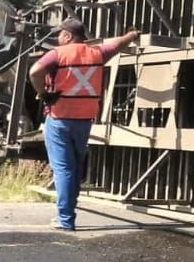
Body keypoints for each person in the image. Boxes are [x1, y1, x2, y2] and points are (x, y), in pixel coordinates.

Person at [28, 17, 141, 231]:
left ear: (68, 36)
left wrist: (42, 93)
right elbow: (118, 44)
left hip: (59, 118)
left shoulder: (57, 54)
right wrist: (133, 35)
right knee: (75, 168)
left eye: (60, 34)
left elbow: (35, 72)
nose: (58, 38)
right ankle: (68, 214)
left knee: (63, 169)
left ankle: (65, 219)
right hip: (84, 120)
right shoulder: (97, 53)